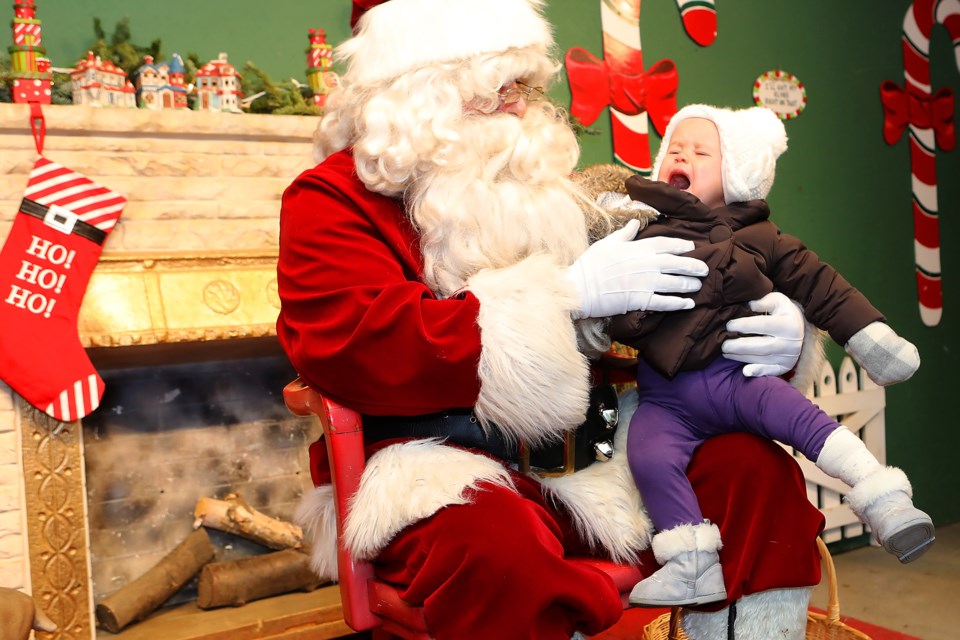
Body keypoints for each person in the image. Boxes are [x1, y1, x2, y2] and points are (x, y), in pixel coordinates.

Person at [277, 2, 826, 638]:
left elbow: (679, 285)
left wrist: (768, 327)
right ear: (419, 93)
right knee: (496, 548)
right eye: (496, 88)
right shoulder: (329, 200)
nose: (520, 107)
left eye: (527, 87)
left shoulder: (553, 192)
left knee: (752, 472)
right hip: (436, 465)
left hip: (594, 451)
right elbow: (360, 342)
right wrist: (562, 296)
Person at [601, 104, 935, 608]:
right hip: (664, 397)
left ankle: (885, 499)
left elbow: (822, 286)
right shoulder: (642, 230)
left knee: (807, 423)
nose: (682, 154)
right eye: (674, 147)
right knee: (647, 455)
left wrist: (870, 338)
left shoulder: (761, 236)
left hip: (737, 376)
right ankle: (692, 564)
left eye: (700, 150)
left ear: (735, 172)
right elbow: (608, 297)